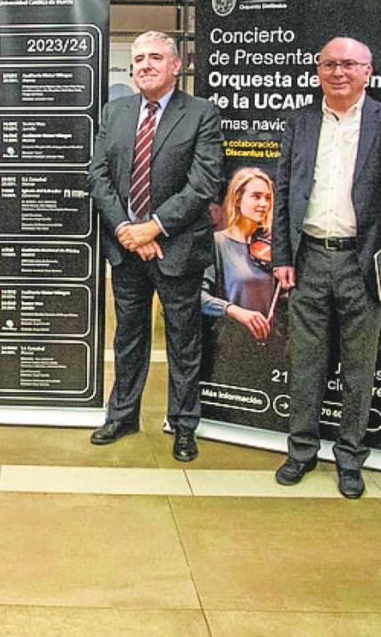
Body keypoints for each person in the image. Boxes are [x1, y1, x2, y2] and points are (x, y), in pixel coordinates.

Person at [271, 36, 381, 498]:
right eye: (330, 64)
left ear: (367, 71)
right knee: (306, 362)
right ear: (318, 70)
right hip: (310, 256)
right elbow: (284, 194)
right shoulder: (300, 121)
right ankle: (301, 451)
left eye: (349, 64)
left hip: (365, 261)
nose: (338, 72)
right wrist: (281, 256)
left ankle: (350, 458)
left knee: (359, 368)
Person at [86, 30, 223, 461]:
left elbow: (204, 184)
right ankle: (123, 415)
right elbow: (98, 176)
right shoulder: (116, 111)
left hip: (178, 250)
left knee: (184, 341)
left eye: (155, 58)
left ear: (176, 65)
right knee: (128, 336)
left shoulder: (202, 114)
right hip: (126, 248)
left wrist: (154, 228)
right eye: (139, 58)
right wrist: (128, 228)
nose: (144, 65)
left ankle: (183, 425)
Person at [201, 166, 278, 341]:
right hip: (229, 341)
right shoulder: (217, 243)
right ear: (237, 199)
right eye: (256, 197)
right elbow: (198, 297)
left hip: (271, 343)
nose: (263, 204)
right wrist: (234, 311)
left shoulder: (274, 246)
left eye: (268, 198)